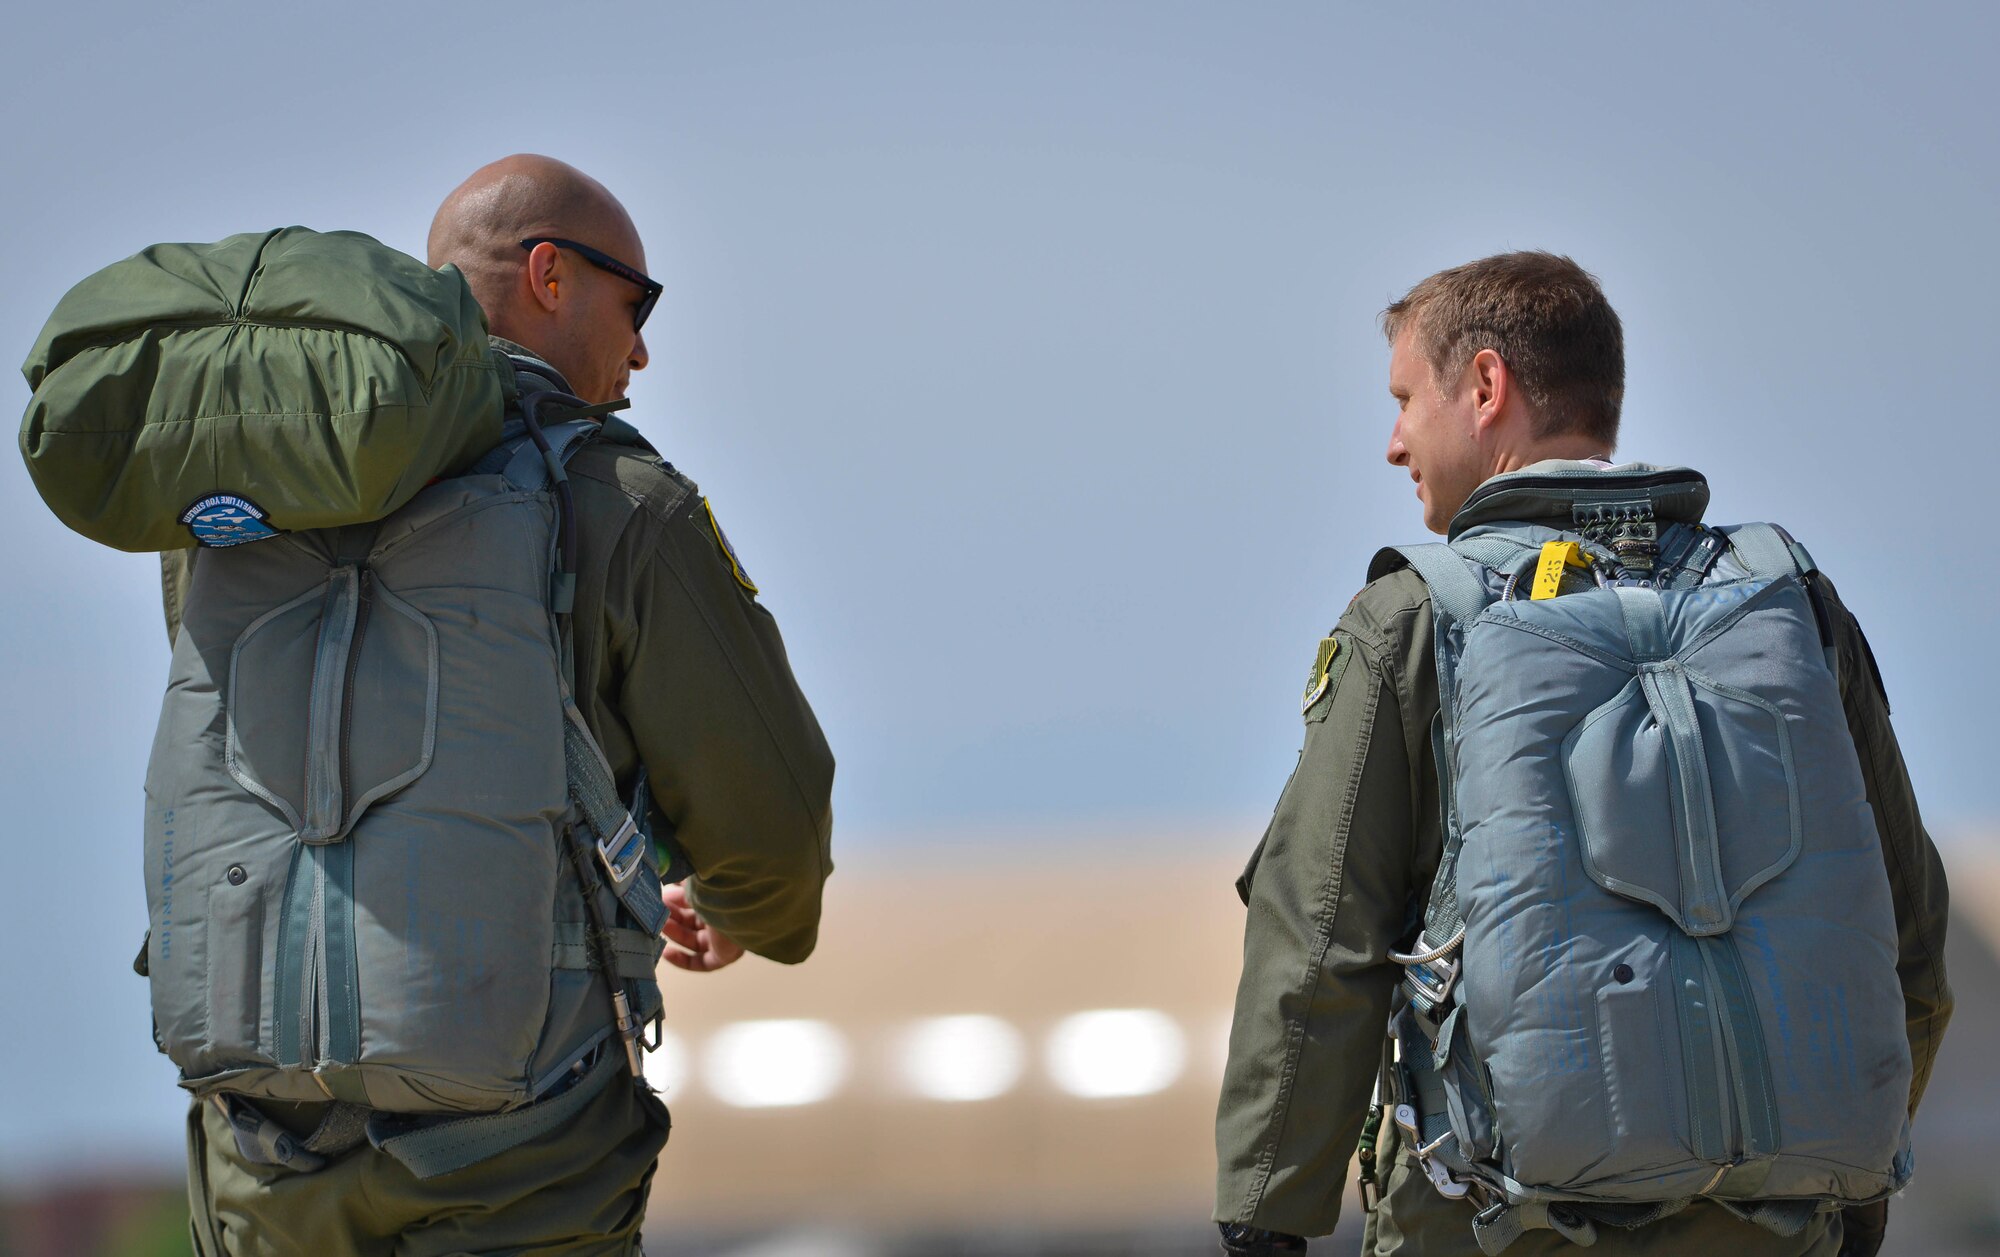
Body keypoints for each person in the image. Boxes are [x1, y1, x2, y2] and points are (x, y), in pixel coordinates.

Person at [1213, 252, 1951, 1257]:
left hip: (1496, 1229)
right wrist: (1841, 1188)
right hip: (1773, 1230)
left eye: (1402, 400)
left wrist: (1266, 1216)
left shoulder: (1416, 619)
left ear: (1483, 387)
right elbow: (1902, 929)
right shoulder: (1788, 601)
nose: (1393, 444)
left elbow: (1315, 951)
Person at [171, 155, 836, 1256]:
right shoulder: (623, 502)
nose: (641, 348)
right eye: (635, 303)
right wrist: (756, 919)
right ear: (547, 275)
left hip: (260, 1148)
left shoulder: (239, 500)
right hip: (515, 1153)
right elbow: (767, 810)